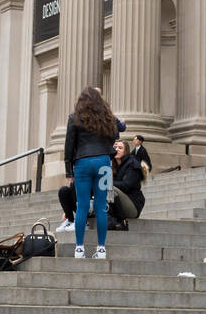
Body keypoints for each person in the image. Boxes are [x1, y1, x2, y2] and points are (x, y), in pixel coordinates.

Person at [63, 86, 117, 260]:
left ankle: (79, 248)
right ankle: (101, 249)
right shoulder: (107, 118)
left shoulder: (74, 119)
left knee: (82, 206)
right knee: (101, 208)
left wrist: (68, 171)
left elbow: (69, 146)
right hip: (103, 163)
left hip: (83, 163)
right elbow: (114, 138)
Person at [107, 139, 147, 230]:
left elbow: (126, 185)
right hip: (118, 202)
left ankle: (122, 221)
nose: (116, 149)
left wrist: (107, 182)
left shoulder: (133, 164)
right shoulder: (112, 165)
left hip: (133, 205)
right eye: (115, 147)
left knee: (109, 187)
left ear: (126, 151)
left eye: (120, 148)